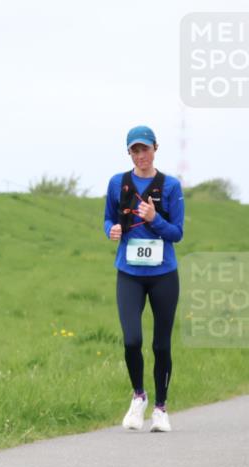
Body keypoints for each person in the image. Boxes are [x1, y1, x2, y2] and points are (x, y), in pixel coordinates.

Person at [103, 126, 184, 433]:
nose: (141, 156)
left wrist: (154, 219)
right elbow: (108, 218)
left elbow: (177, 233)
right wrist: (110, 230)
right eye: (135, 151)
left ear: (155, 149)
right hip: (129, 274)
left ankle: (161, 409)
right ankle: (139, 396)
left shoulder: (171, 186)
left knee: (161, 345)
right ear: (129, 154)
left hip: (164, 275)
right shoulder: (118, 183)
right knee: (131, 340)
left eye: (145, 149)